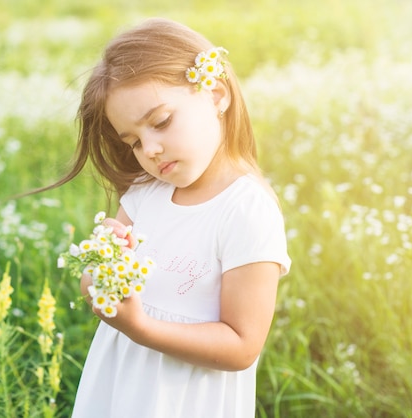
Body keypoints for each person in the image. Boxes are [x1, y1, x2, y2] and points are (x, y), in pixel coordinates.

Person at [35, 17, 291, 417]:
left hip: (188, 400)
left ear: (216, 94)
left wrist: (141, 328)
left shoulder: (245, 210)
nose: (150, 149)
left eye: (161, 122)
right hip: (120, 387)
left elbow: (242, 344)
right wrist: (103, 268)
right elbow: (96, 285)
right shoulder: (144, 193)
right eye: (134, 141)